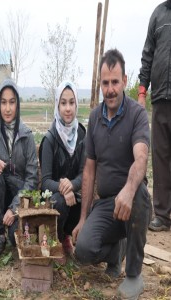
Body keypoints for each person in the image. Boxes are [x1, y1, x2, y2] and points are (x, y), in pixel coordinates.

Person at [72, 49, 151, 300]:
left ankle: (133, 274)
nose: (110, 89)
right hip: (107, 204)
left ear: (124, 82)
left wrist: (128, 190)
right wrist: (83, 217)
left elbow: (141, 158)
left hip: (133, 201)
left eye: (115, 82)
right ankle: (117, 251)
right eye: (105, 83)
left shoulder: (137, 114)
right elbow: (89, 169)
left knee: (138, 194)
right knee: (83, 251)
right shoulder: (95, 117)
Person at [0, 78, 38, 258]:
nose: (7, 108)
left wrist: (14, 209)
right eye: (3, 103)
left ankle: (11, 232)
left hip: (21, 199)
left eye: (12, 102)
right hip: (0, 195)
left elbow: (32, 180)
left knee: (16, 238)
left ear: (18, 104)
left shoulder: (27, 136)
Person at [39, 80, 86, 256]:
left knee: (89, 208)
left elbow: (84, 174)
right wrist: (63, 187)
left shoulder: (82, 135)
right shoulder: (50, 139)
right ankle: (55, 241)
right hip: (53, 200)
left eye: (72, 102)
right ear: (57, 105)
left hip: (73, 196)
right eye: (63, 103)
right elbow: (45, 182)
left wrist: (72, 185)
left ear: (76, 104)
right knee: (60, 201)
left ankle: (68, 235)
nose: (68, 108)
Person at [138, 0, 171, 232]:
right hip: (160, 97)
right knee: (160, 157)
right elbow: (148, 53)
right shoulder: (158, 14)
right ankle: (162, 213)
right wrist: (142, 90)